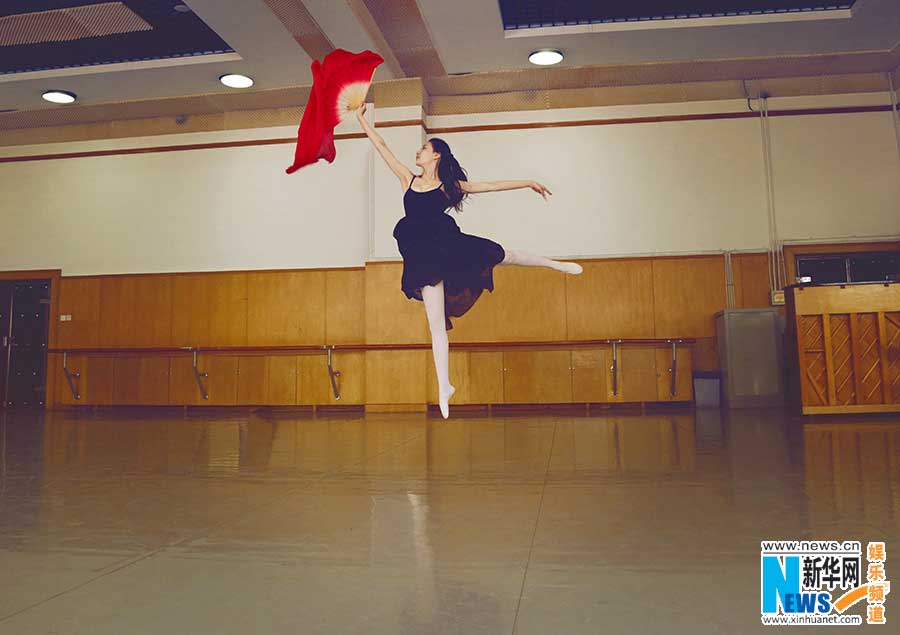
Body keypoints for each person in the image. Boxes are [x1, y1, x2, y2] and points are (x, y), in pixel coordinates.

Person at [356, 103, 582, 419]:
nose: (418, 152)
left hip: (449, 247)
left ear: (436, 155)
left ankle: (556, 265)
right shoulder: (407, 179)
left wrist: (527, 181)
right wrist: (362, 119)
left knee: (504, 254)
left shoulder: (450, 187)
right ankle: (444, 387)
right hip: (424, 260)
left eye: (424, 149)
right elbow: (381, 147)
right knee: (436, 323)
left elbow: (489, 186)